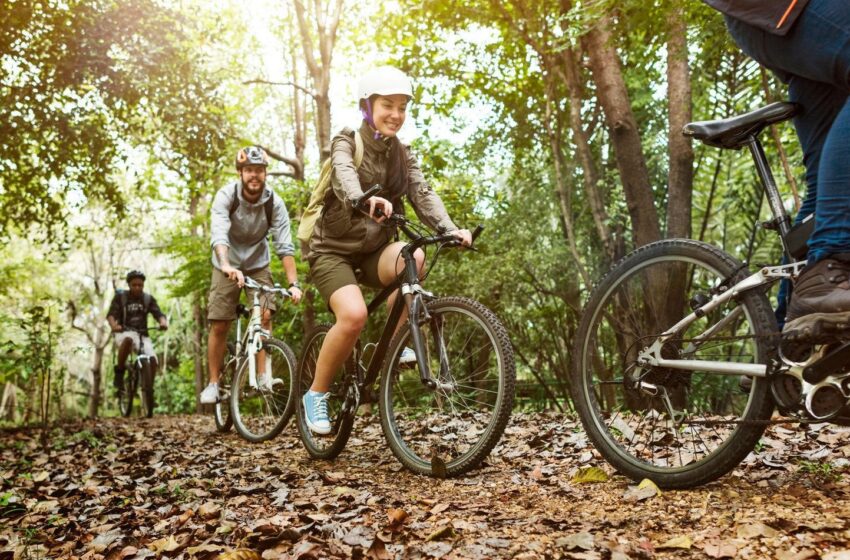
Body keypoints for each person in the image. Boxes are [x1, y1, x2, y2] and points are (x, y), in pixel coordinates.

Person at [301, 66, 472, 434]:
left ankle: (396, 347)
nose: (396, 114)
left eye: (402, 107)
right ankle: (316, 394)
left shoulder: (402, 155)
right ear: (368, 107)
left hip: (374, 251)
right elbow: (344, 174)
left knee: (417, 256)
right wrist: (364, 199)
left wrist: (449, 229)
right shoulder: (347, 140)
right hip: (332, 251)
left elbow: (423, 194)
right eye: (387, 105)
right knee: (353, 316)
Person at [705, 0, 850, 341]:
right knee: (836, 215)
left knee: (831, 193)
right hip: (785, 9)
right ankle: (828, 265)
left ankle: (786, 344)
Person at [200, 145, 303, 404]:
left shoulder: (274, 203)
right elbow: (219, 234)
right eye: (248, 170)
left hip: (258, 263)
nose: (254, 175)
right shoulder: (226, 196)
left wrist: (294, 284)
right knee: (220, 322)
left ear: (265, 173)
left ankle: (263, 375)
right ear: (240, 173)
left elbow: (284, 245)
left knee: (266, 314)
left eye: (259, 170)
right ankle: (213, 383)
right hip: (227, 262)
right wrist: (225, 265)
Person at [106, 270, 168, 393]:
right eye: (134, 285)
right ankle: (120, 372)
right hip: (123, 332)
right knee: (128, 340)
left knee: (153, 360)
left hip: (142, 334)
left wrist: (163, 322)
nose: (137, 287)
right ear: (129, 285)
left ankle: (149, 388)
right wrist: (114, 326)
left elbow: (159, 314)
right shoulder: (121, 297)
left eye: (140, 285)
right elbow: (111, 315)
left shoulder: (147, 299)